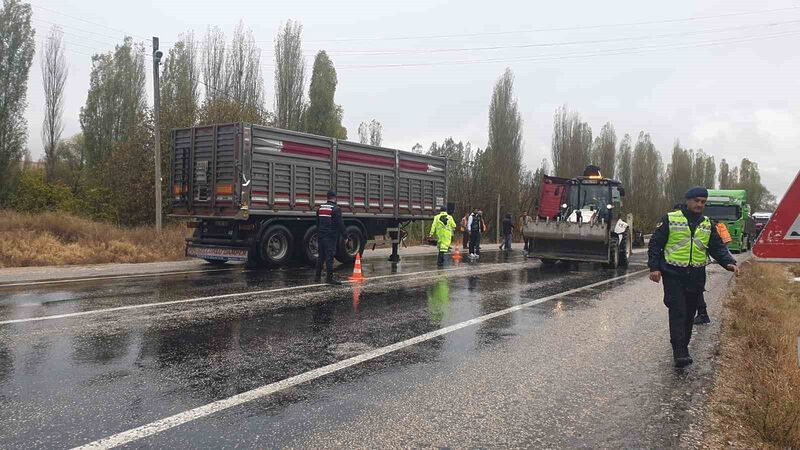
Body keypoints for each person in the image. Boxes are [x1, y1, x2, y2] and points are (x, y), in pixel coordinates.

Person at [648, 187, 738, 368]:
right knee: (678, 311)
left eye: (703, 202)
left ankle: (683, 347)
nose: (699, 204)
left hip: (696, 275)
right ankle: (680, 352)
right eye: (696, 200)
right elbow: (656, 244)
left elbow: (717, 247)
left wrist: (729, 262)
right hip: (673, 273)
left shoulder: (707, 224)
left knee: (689, 314)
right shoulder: (671, 219)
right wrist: (655, 267)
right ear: (687, 200)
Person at [694, 221, 734, 325]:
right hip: (696, 265)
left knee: (695, 292)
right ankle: (701, 314)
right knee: (696, 292)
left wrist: (727, 261)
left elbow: (717, 245)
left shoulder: (708, 226)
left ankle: (701, 315)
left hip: (695, 266)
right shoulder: (717, 225)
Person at [315, 190, 347, 285]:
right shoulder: (336, 209)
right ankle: (329, 278)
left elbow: (317, 223)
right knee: (329, 257)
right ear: (335, 198)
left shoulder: (320, 208)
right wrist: (345, 236)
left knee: (321, 256)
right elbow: (340, 224)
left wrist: (319, 233)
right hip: (330, 236)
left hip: (321, 235)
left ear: (327, 197)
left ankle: (317, 277)